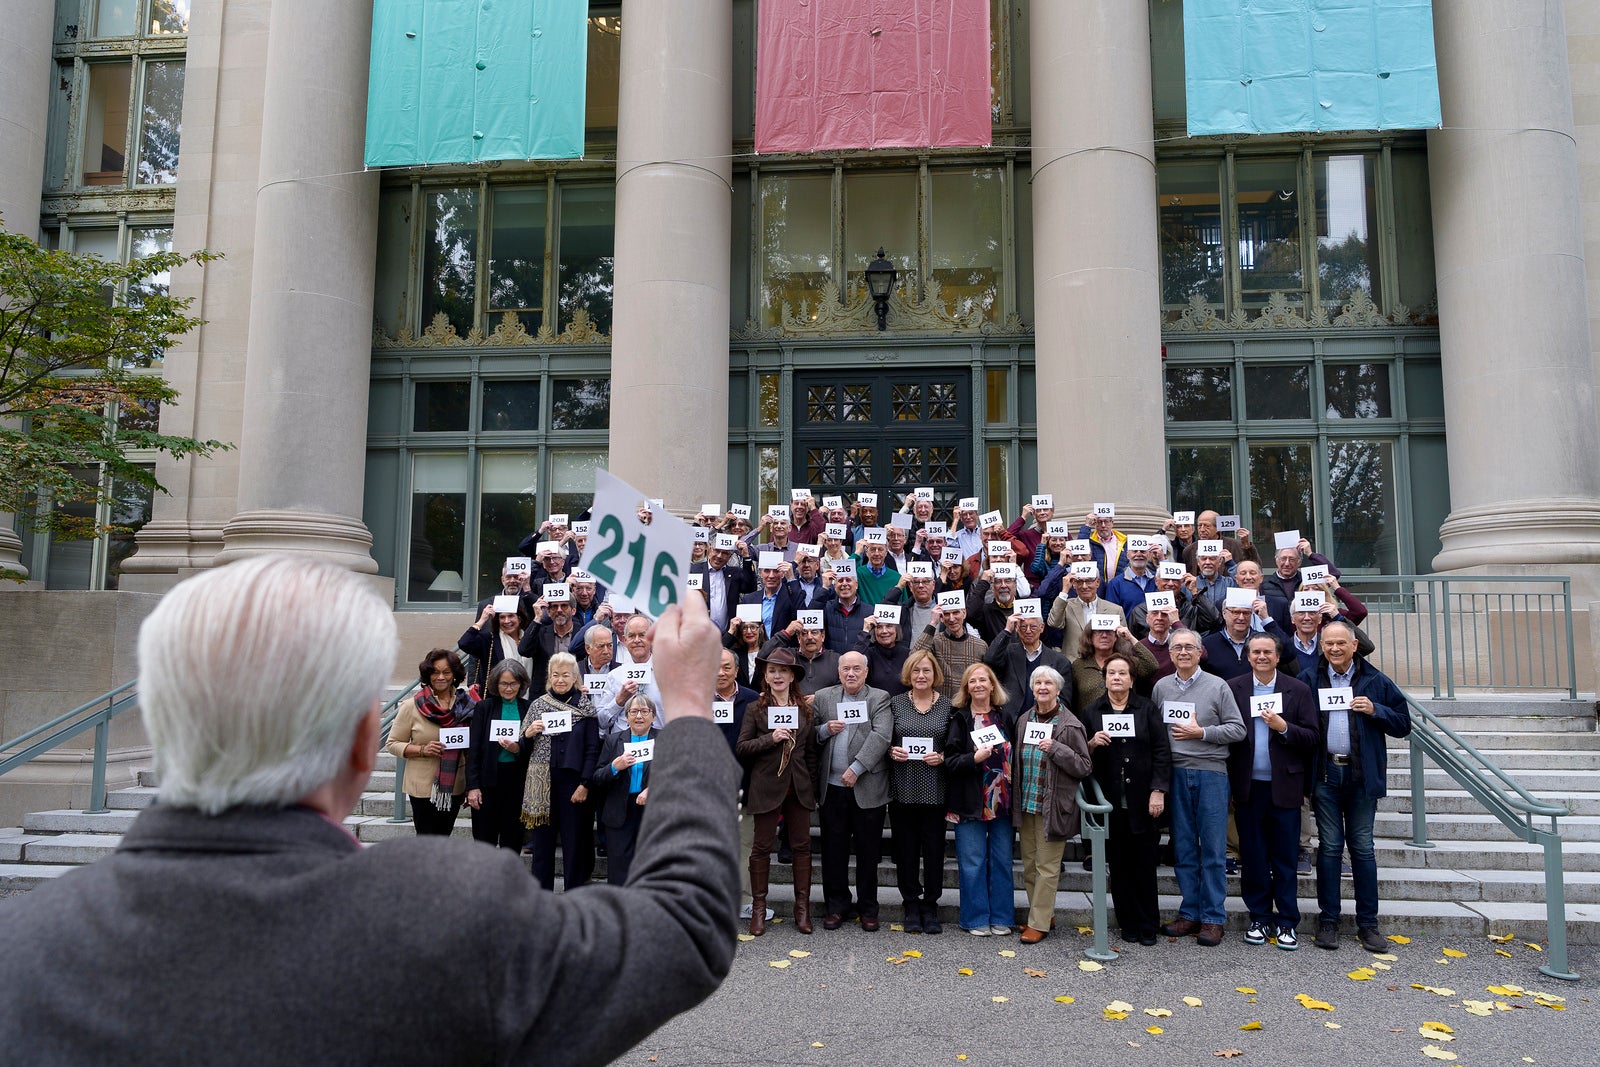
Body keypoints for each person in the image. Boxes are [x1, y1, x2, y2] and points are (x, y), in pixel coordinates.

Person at [0, 555, 738, 1064]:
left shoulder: (20, 947)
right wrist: (690, 709)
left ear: (160, 720)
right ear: (364, 741)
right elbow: (684, 923)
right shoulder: (449, 913)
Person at [1300, 620, 1411, 953]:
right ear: (1322, 647)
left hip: (1362, 777)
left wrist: (1376, 710)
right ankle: (1329, 921)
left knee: (1362, 849)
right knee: (1331, 848)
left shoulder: (1375, 681)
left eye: (1340, 644)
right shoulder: (1309, 680)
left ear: (1353, 646)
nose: (1334, 649)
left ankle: (1368, 925)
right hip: (1326, 775)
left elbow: (1403, 723)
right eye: (1328, 644)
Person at [1154, 628, 1247, 948]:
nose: (1182, 652)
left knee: (1212, 848)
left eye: (1188, 647)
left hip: (1210, 773)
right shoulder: (1161, 687)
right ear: (1170, 652)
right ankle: (1189, 912)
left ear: (1200, 652)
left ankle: (1213, 918)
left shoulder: (1217, 686)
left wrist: (1201, 733)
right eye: (1176, 647)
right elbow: (1156, 734)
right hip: (1175, 775)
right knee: (1182, 849)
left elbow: (1237, 729)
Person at [1226, 634, 1319, 950]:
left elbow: (1312, 737)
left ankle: (1288, 922)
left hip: (1285, 787)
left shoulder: (1298, 689)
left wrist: (1284, 728)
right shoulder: (1234, 688)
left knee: (1284, 858)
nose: (1261, 656)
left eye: (1267, 652)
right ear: (1248, 656)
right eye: (1255, 652)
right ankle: (1259, 917)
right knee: (1252, 857)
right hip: (1248, 787)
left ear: (1278, 657)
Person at [1079, 654, 1169, 945]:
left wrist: (1158, 790)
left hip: (1143, 800)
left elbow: (1161, 751)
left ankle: (1148, 924)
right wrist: (1092, 743)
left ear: (1131, 679)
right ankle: (1127, 922)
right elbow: (1081, 756)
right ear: (1104, 679)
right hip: (1110, 802)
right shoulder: (1092, 711)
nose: (1116, 678)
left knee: (1144, 865)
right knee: (1119, 867)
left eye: (1122, 673)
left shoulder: (1146, 708)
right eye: (1111, 673)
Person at [736, 647, 819, 935]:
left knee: (801, 847)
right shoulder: (756, 708)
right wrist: (770, 739)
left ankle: (802, 909)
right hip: (766, 787)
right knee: (760, 848)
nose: (777, 675)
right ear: (766, 676)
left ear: (792, 675)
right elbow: (743, 747)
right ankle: (758, 908)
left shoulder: (804, 710)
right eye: (772, 671)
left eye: (783, 670)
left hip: (798, 788)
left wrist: (813, 789)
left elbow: (809, 754)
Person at [1007, 665, 1092, 943]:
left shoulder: (1070, 724)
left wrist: (1055, 748)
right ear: (1032, 689)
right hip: (1027, 803)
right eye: (1038, 683)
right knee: (1030, 865)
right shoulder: (1024, 720)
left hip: (1052, 807)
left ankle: (1039, 923)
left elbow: (1083, 766)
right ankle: (1041, 914)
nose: (1042, 687)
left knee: (1047, 867)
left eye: (1048, 684)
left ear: (1058, 690)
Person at [812, 652, 894, 931]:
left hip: (866, 787)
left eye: (856, 669)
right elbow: (807, 733)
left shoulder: (879, 698)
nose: (851, 674)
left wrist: (857, 768)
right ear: (838, 671)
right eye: (846, 668)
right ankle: (836, 906)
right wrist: (824, 729)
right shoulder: (824, 698)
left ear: (866, 672)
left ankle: (868, 908)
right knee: (833, 852)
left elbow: (881, 736)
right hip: (832, 788)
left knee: (868, 852)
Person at [945, 663, 1017, 936]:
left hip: (1002, 801)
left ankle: (1001, 917)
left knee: (1001, 860)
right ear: (966, 687)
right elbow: (949, 761)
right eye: (972, 681)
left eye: (983, 680)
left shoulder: (1005, 717)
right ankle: (975, 919)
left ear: (992, 685)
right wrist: (973, 759)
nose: (978, 685)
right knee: (973, 862)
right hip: (969, 801)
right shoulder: (959, 719)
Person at [887, 649, 955, 934]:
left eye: (926, 670)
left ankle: (931, 904)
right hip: (903, 788)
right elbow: (886, 740)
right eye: (916, 671)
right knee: (906, 851)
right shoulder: (896, 704)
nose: (921, 676)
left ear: (935, 674)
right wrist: (892, 750)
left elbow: (953, 746)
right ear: (908, 674)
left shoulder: (949, 706)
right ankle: (911, 904)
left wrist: (942, 756)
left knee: (934, 850)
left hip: (935, 790)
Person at [521, 652, 602, 890]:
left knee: (574, 843)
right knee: (543, 844)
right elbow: (521, 748)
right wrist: (528, 734)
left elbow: (592, 750)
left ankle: (574, 895)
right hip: (542, 782)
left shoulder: (586, 708)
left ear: (575, 677)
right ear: (549, 677)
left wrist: (585, 784)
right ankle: (541, 895)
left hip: (574, 783)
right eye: (555, 675)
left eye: (566, 675)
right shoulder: (537, 705)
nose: (560, 680)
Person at [386, 648, 475, 835]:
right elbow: (392, 743)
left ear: (454, 675)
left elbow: (471, 748)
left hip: (454, 785)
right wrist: (422, 750)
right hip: (422, 787)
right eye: (435, 672)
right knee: (427, 841)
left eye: (446, 672)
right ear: (428, 674)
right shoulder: (412, 706)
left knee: (443, 837)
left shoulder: (466, 705)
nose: (440, 677)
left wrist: (471, 784)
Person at [592, 695, 662, 885]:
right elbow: (597, 777)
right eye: (634, 712)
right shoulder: (613, 740)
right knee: (618, 867)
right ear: (627, 716)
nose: (639, 716)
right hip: (619, 811)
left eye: (644, 711)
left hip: (652, 812)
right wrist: (615, 766)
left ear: (653, 716)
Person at [465, 659, 532, 852]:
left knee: (512, 839)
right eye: (504, 683)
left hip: (516, 782)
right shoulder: (484, 708)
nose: (509, 688)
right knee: (484, 840)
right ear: (496, 683)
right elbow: (474, 749)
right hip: (487, 782)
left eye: (513, 683)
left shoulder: (528, 708)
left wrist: (517, 749)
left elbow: (534, 747)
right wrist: (473, 787)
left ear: (521, 684)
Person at [984, 610, 1075, 717]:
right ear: (1017, 628)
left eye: (1033, 627)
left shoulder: (1060, 661)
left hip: (1044, 723)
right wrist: (1007, 630)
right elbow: (989, 660)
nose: (1028, 631)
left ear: (1042, 627)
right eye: (1023, 627)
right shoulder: (1008, 653)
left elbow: (1065, 700)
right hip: (1010, 721)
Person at [909, 598, 989, 701]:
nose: (951, 619)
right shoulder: (934, 641)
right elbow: (913, 659)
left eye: (956, 612)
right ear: (941, 617)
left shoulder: (980, 645)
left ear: (964, 613)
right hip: (940, 706)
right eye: (946, 614)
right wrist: (933, 623)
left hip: (969, 705)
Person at [1071, 623, 1159, 710]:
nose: (1104, 635)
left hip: (1124, 720)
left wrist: (1131, 638)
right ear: (1090, 637)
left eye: (1109, 632)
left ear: (1116, 637)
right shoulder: (1079, 665)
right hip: (1089, 722)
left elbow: (1152, 666)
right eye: (1099, 631)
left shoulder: (1128, 662)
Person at [459, 598, 533, 696]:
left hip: (527, 701)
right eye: (502, 617)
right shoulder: (489, 640)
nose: (507, 621)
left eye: (511, 616)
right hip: (497, 702)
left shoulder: (530, 639)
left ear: (519, 618)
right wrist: (481, 620)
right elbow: (464, 643)